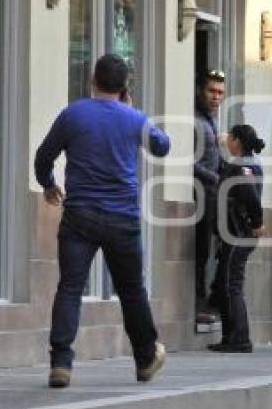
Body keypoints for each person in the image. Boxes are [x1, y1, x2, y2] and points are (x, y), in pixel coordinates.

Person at [34, 54, 170, 388]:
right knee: (131, 290)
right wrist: (134, 111)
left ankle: (61, 364)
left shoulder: (72, 115)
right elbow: (163, 146)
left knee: (70, 287)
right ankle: (145, 357)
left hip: (79, 215)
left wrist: (49, 185)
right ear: (124, 87)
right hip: (122, 217)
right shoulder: (134, 118)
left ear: (92, 80)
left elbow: (43, 157)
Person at [207, 124, 266, 353]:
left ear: (237, 141)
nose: (226, 140)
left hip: (238, 233)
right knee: (226, 284)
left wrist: (258, 222)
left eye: (229, 138)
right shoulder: (247, 163)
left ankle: (239, 338)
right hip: (237, 232)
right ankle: (230, 337)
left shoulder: (242, 166)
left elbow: (250, 195)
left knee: (231, 285)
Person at [194, 70, 226, 324]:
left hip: (214, 196)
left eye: (220, 93)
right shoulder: (195, 121)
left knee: (219, 247)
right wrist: (215, 178)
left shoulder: (211, 121)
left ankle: (214, 299)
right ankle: (199, 304)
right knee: (201, 252)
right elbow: (187, 163)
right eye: (211, 91)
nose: (216, 98)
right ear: (200, 91)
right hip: (200, 195)